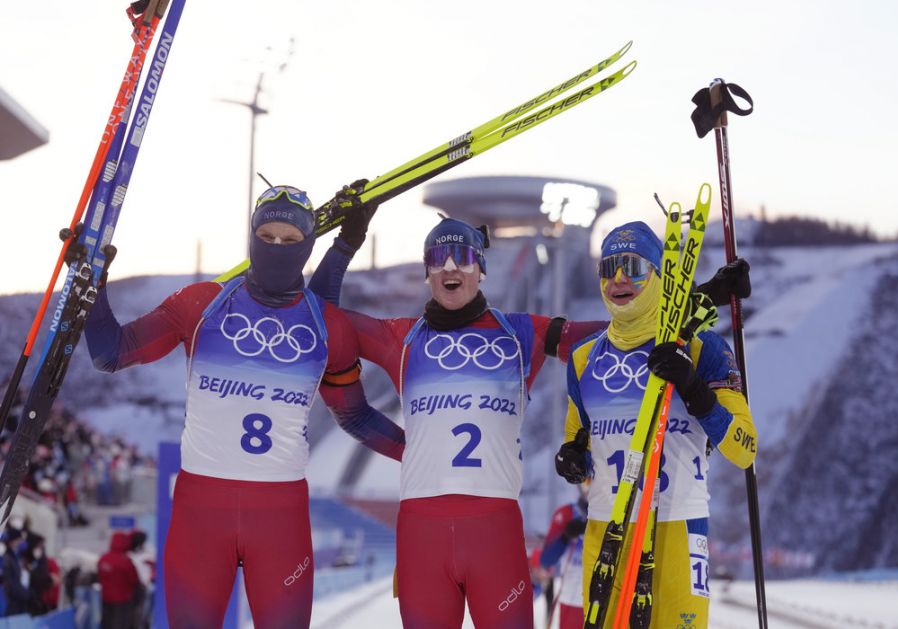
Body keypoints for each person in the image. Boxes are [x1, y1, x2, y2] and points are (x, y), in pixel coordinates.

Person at [84, 184, 403, 628]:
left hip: (280, 517)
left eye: (290, 241)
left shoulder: (330, 326)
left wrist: (418, 451)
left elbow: (353, 415)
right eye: (267, 236)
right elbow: (110, 353)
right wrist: (90, 282)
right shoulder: (200, 305)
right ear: (251, 237)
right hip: (202, 513)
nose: (276, 247)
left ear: (307, 247)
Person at [312, 216, 609, 628]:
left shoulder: (522, 335)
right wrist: (345, 245)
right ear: (427, 273)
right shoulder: (400, 338)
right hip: (423, 535)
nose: (451, 266)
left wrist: (677, 310)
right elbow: (317, 318)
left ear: (481, 269)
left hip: (496, 532)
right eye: (438, 258)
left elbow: (613, 335)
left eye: (463, 257)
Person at [553, 221, 756, 628]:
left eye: (633, 267)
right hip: (607, 529)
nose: (619, 279)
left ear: (659, 275)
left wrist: (695, 391)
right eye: (609, 268)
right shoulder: (583, 358)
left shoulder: (702, 348)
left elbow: (745, 447)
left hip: (677, 528)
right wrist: (573, 458)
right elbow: (579, 440)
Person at [540, 484, 589, 629]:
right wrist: (565, 537)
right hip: (572, 600)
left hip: (603, 600)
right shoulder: (567, 513)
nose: (589, 488)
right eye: (586, 482)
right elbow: (546, 560)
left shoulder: (612, 513)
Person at [98, 531, 140, 628]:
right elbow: (134, 579)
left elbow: (100, 576)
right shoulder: (126, 561)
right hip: (122, 601)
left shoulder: (103, 559)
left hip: (106, 599)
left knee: (107, 624)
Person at [1, 527, 30, 616]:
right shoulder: (7, 559)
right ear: (13, 541)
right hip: (11, 602)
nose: (21, 542)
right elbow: (10, 583)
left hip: (17, 600)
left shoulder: (17, 556)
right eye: (19, 539)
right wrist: (25, 594)